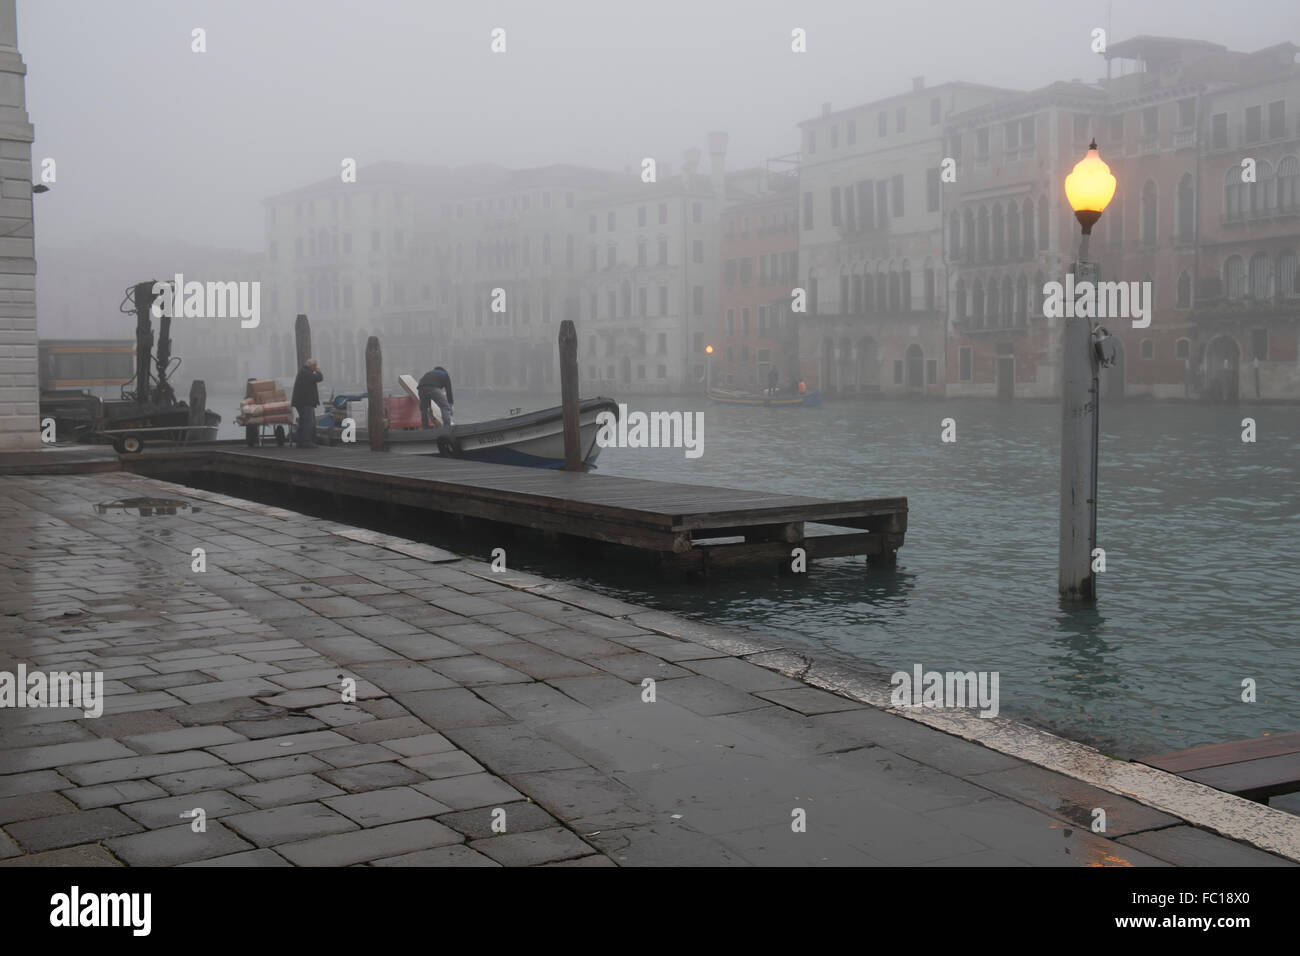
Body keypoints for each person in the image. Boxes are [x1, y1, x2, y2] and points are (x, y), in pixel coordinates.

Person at [291, 358, 323, 448]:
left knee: (303, 421)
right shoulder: (306, 373)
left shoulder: (304, 372)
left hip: (301, 402)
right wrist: (319, 371)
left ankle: (300, 441)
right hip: (305, 402)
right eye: (315, 366)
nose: (316, 367)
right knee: (308, 422)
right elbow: (319, 378)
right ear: (311, 365)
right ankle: (306, 441)